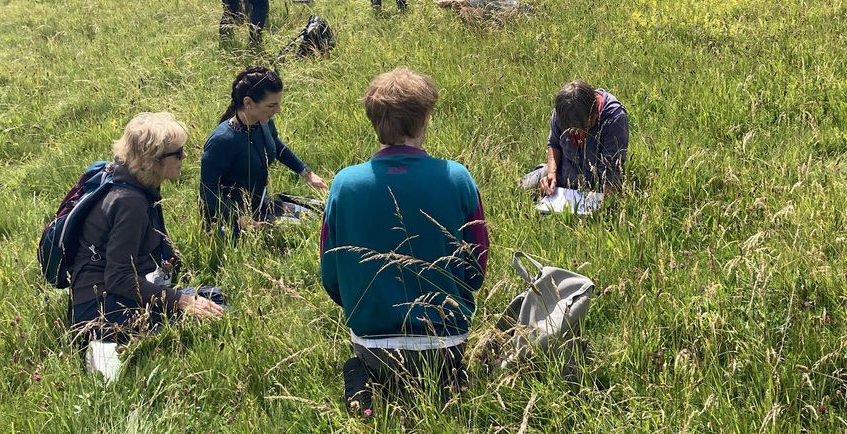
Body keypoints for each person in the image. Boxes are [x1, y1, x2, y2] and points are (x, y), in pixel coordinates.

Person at [320, 68, 488, 409]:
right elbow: (476, 267)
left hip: (370, 339)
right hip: (446, 338)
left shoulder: (344, 184)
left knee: (364, 368)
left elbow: (330, 272)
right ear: (425, 118)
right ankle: (450, 380)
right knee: (444, 376)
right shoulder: (457, 177)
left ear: (373, 120)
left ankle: (367, 385)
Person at [69, 113, 225, 376]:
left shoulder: (129, 181)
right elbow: (118, 277)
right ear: (154, 161)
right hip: (100, 307)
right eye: (178, 153)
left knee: (214, 297)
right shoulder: (130, 204)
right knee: (213, 313)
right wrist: (180, 301)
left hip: (98, 295)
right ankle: (103, 345)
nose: (184, 158)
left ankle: (112, 340)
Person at [200, 66, 327, 240]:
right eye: (272, 105)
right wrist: (239, 218)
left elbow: (277, 145)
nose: (278, 110)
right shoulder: (222, 140)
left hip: (260, 206)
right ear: (248, 103)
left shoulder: (263, 122)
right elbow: (208, 189)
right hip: (228, 222)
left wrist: (306, 173)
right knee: (295, 232)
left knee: (313, 217)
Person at [525, 82, 629, 197]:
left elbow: (612, 171)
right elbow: (554, 144)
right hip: (563, 172)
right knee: (519, 190)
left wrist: (603, 208)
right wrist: (551, 174)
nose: (577, 134)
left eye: (584, 128)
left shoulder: (615, 118)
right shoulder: (564, 110)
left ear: (595, 113)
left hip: (596, 187)